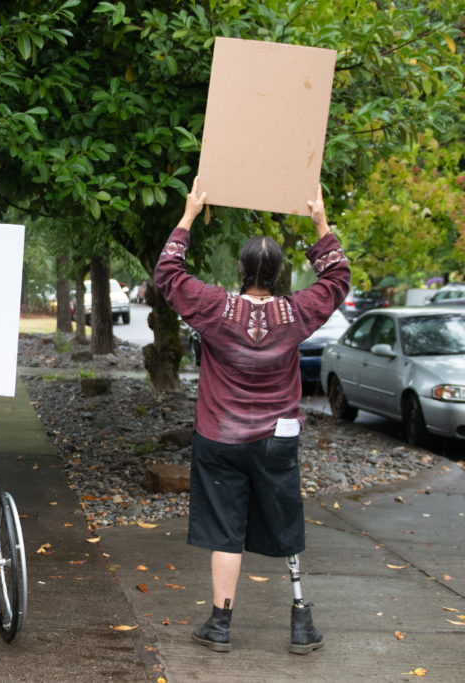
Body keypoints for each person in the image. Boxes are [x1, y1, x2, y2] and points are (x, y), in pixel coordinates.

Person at [154, 178, 350, 655]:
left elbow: (168, 273)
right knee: (285, 520)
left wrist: (188, 215)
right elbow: (337, 279)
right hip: (275, 440)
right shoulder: (296, 312)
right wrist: (320, 223)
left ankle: (220, 625)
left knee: (225, 529)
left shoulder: (215, 308)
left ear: (241, 269)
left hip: (220, 437)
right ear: (280, 271)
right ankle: (301, 624)